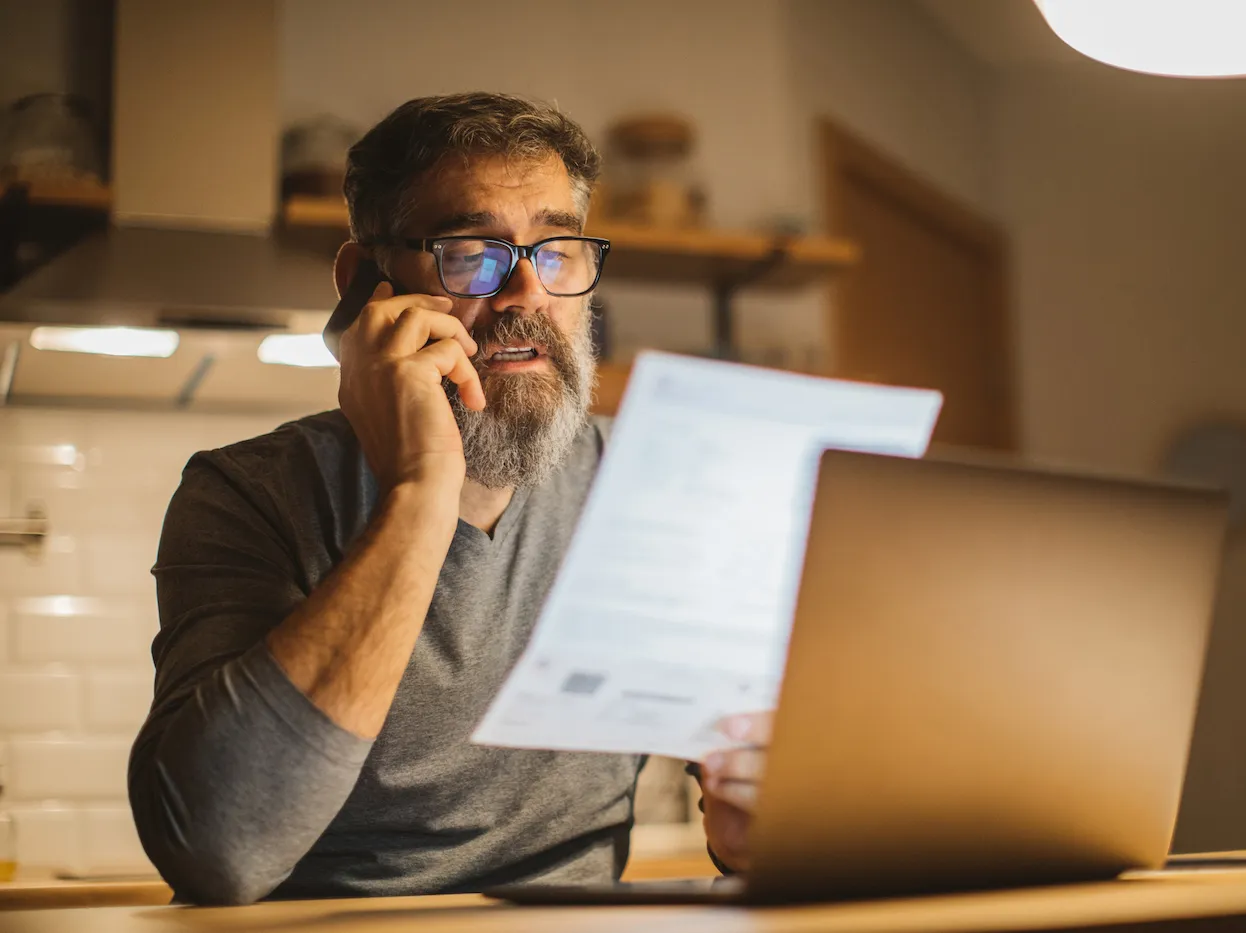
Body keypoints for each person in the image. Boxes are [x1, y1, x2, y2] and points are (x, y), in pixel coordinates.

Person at [128, 92, 769, 906]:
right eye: (472, 252)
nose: (525, 295)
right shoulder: (248, 494)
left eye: (557, 250)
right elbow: (216, 849)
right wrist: (423, 487)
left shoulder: (641, 487)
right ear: (365, 282)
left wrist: (755, 828)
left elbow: (757, 800)